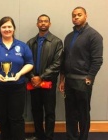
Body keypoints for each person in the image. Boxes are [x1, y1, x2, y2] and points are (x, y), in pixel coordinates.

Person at [0, 16, 34, 140]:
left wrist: (20, 73)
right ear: (0, 29)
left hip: (17, 88)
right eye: (4, 27)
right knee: (2, 118)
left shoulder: (22, 46)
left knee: (16, 118)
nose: (7, 29)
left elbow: (30, 63)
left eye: (9, 26)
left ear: (14, 29)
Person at [59, 7, 103, 140]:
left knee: (83, 113)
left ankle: (83, 137)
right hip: (69, 81)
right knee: (70, 113)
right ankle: (71, 137)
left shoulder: (94, 36)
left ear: (86, 16)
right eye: (74, 15)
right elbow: (64, 59)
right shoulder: (69, 37)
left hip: (83, 81)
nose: (76, 17)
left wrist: (89, 78)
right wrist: (62, 80)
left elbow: (97, 60)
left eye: (79, 15)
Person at [26, 14, 63, 140]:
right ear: (37, 24)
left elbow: (57, 64)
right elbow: (26, 62)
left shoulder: (57, 42)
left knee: (49, 112)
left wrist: (41, 77)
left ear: (49, 24)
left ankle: (48, 137)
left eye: (45, 21)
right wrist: (32, 77)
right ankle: (39, 135)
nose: (43, 23)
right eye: (40, 21)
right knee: (36, 111)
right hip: (33, 82)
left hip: (48, 83)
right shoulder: (30, 42)